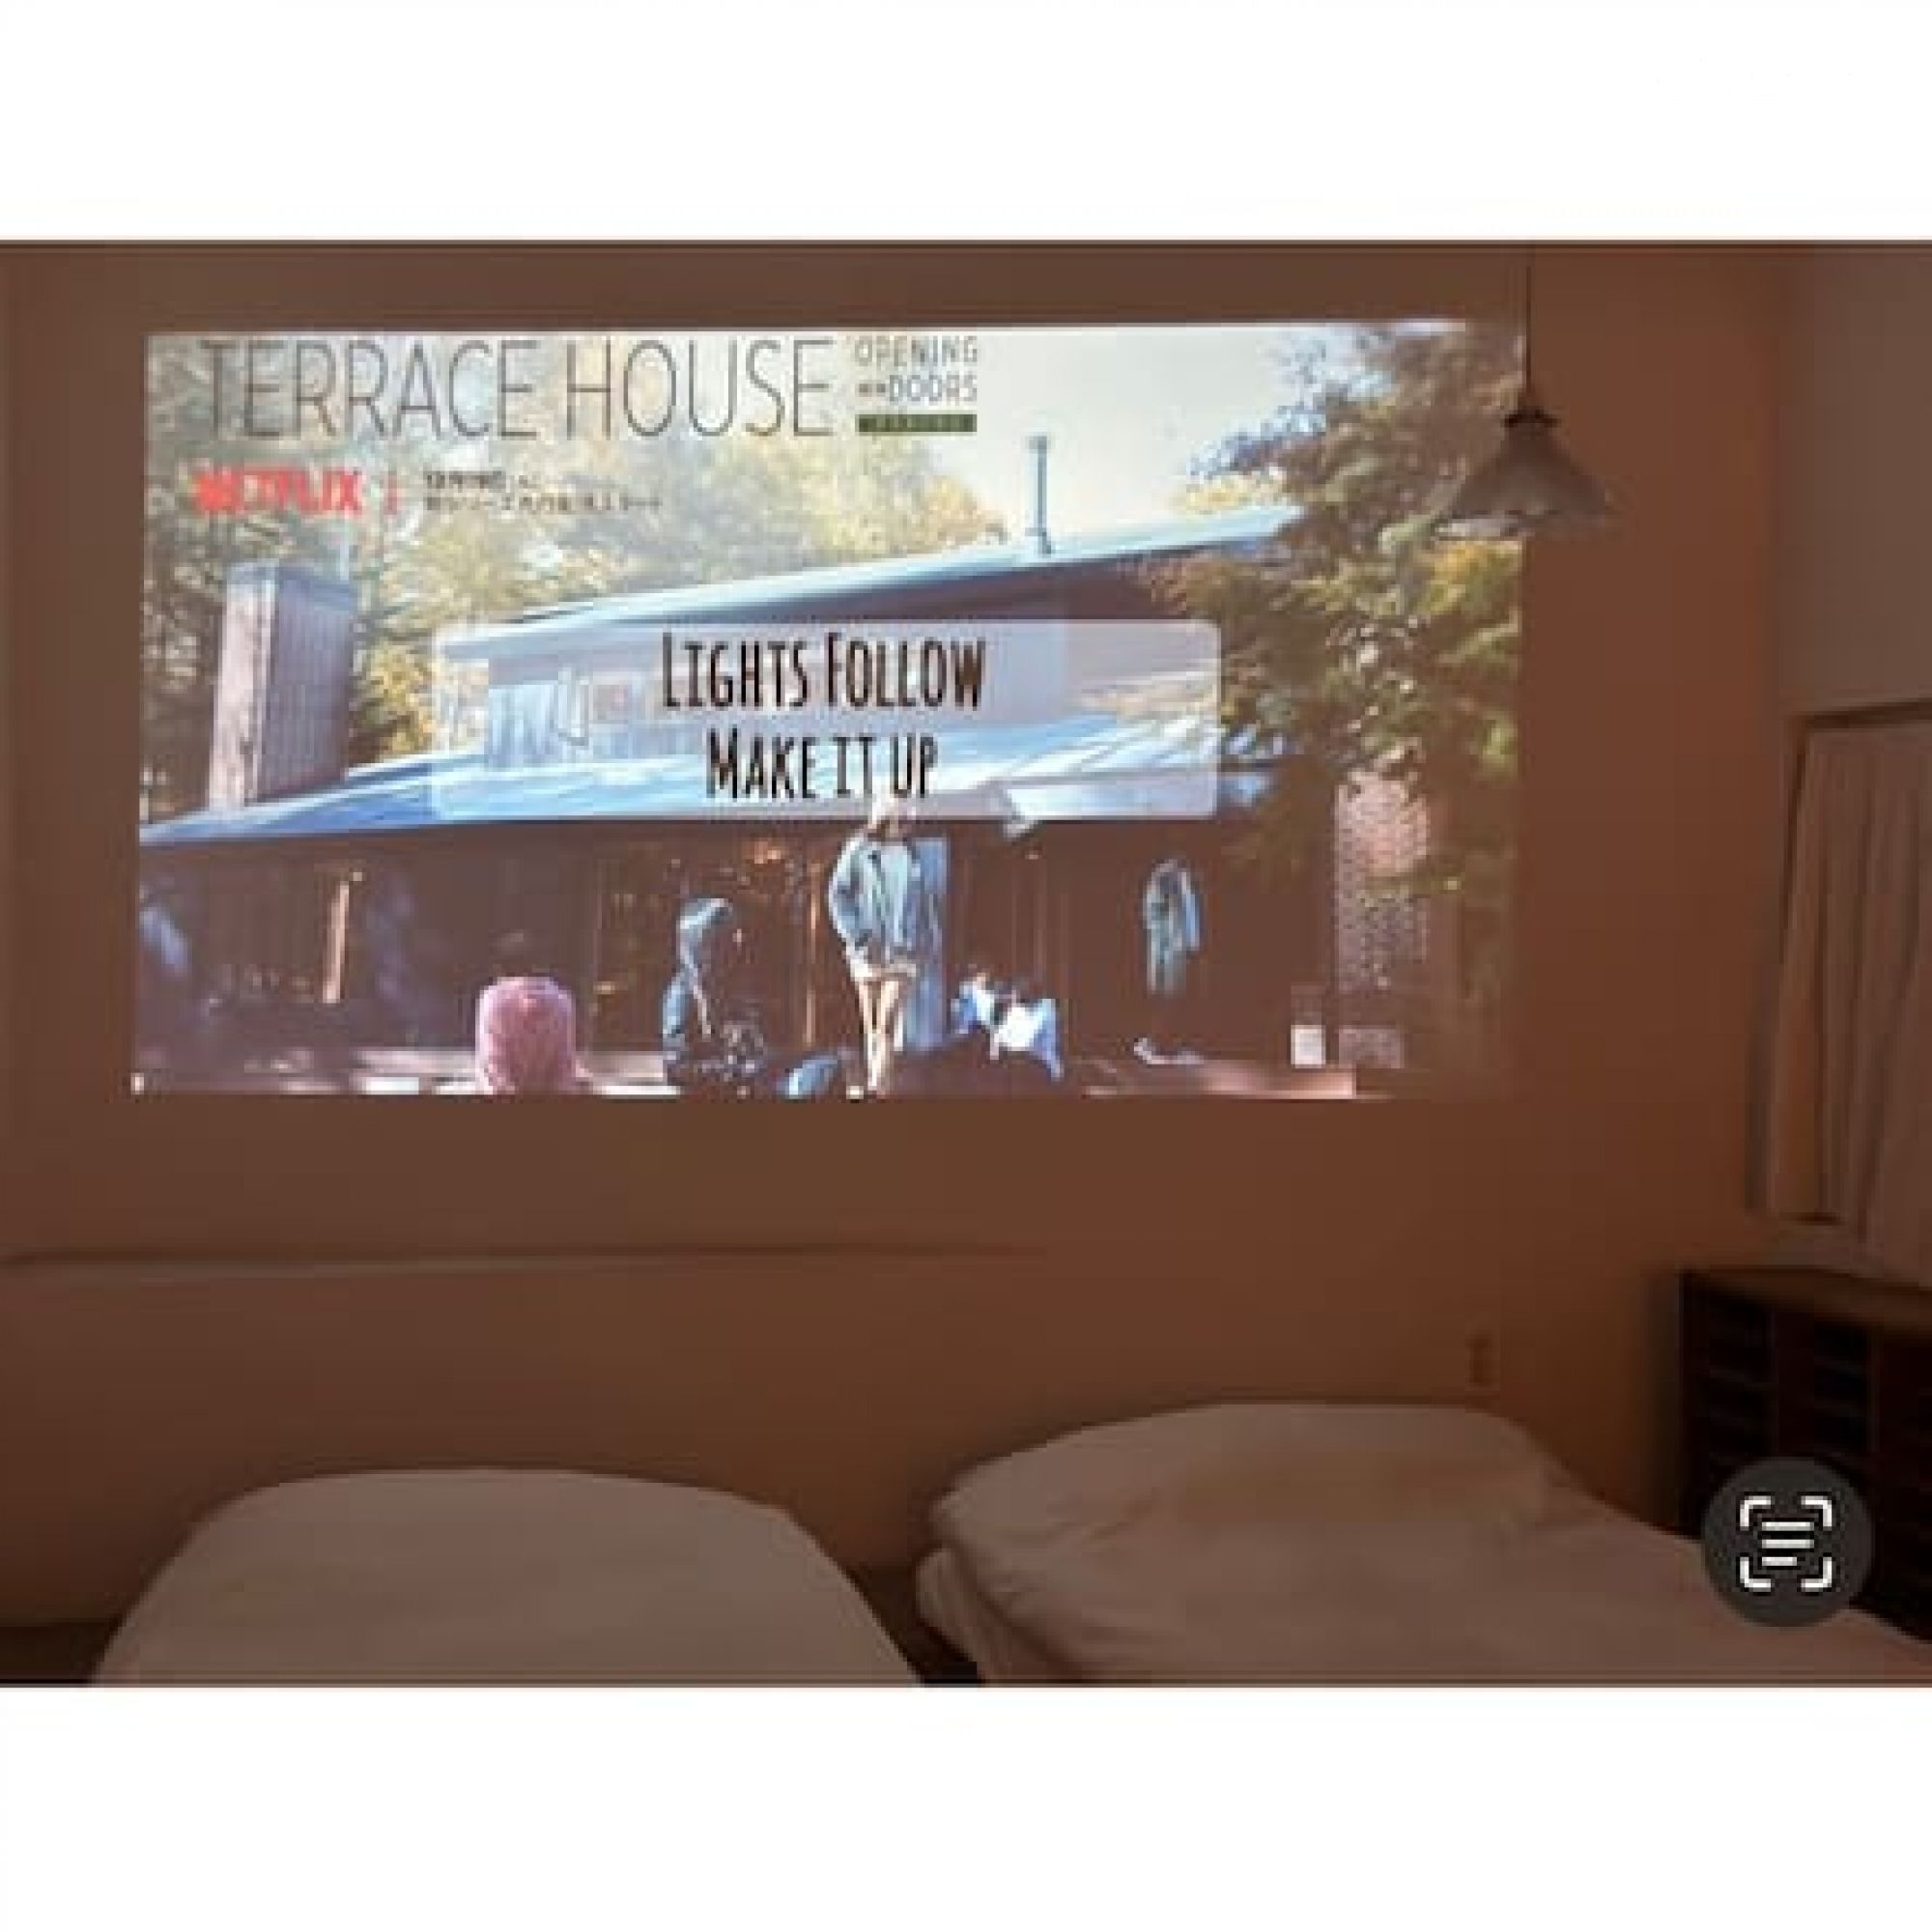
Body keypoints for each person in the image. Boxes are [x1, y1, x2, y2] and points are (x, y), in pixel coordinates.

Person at [662, 896, 844, 1100]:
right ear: (705, 941)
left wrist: (765, 1056)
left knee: (825, 1065)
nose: (738, 940)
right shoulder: (683, 995)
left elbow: (750, 1045)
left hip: (748, 1081)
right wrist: (736, 1071)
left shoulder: (726, 985)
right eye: (728, 934)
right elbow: (677, 1069)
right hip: (720, 1090)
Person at [826, 798, 944, 1096]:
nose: (904, 826)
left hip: (904, 951)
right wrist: (858, 935)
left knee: (888, 1020)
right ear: (882, 819)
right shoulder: (859, 849)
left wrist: (927, 942)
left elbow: (926, 903)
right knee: (871, 1025)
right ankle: (881, 1090)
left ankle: (875, 1087)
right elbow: (838, 894)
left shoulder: (914, 853)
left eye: (907, 821)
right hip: (869, 949)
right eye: (898, 820)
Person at [474, 931, 584, 1094]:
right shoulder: (562, 1001)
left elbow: (493, 1065)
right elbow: (564, 1066)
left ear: (499, 969)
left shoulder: (493, 999)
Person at [1135, 851, 1206, 1065]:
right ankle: (1150, 1045)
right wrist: (1164, 941)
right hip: (1170, 948)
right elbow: (1151, 913)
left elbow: (1194, 912)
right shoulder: (1163, 876)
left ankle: (1175, 1048)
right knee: (1167, 998)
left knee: (1184, 998)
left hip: (1190, 947)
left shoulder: (1192, 876)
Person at [993, 975, 1065, 1090]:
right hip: (1031, 1058)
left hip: (1044, 1064)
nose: (1011, 996)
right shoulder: (1023, 1008)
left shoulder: (1044, 1007)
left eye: (1014, 993)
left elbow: (1027, 1035)